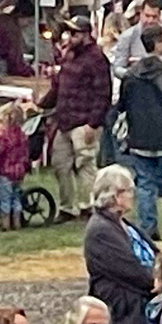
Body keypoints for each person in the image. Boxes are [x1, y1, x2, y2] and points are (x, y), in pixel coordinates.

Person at [113, 22, 162, 239]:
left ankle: (149, 227)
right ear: (158, 43)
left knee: (146, 184)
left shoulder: (130, 76)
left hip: (139, 138)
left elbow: (122, 105)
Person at [41, 16, 112, 221]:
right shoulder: (69, 56)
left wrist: (93, 123)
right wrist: (41, 104)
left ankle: (88, 206)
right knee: (60, 163)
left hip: (85, 121)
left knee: (85, 165)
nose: (70, 37)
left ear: (86, 34)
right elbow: (58, 86)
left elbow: (103, 94)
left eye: (75, 33)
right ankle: (67, 207)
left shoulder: (97, 58)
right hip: (64, 120)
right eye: (69, 33)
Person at [83, 165, 155, 324]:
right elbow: (130, 270)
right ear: (116, 195)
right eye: (129, 191)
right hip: (125, 314)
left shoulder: (122, 224)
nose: (133, 196)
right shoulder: (101, 231)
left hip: (141, 303)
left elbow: (155, 253)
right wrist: (156, 282)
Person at [0, 103, 32, 231]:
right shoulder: (23, 136)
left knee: (5, 199)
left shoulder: (4, 138)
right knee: (16, 198)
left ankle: (5, 225)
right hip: (19, 172)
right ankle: (17, 223)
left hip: (6, 172)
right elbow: (26, 155)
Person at [111, 0, 161, 81]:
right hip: (135, 86)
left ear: (160, 15)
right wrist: (134, 74)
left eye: (154, 17)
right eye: (147, 16)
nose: (150, 20)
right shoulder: (127, 36)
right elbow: (117, 67)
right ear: (141, 13)